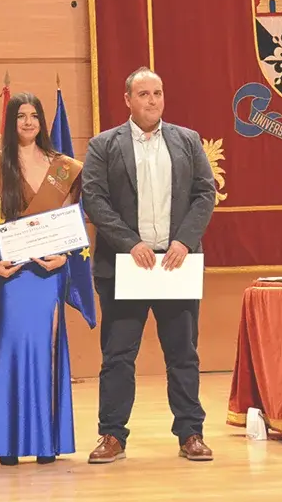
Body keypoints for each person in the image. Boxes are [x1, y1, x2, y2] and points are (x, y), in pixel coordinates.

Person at [81, 67, 216, 463]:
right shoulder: (103, 145)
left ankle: (191, 433)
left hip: (176, 263)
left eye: (157, 93)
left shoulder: (188, 141)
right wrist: (130, 243)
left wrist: (184, 241)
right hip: (127, 266)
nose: (152, 100)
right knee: (119, 355)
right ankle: (112, 435)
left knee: (183, 354)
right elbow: (94, 199)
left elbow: (205, 193)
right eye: (143, 94)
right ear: (128, 100)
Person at [0, 92, 93, 466]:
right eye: (20, 116)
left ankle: (46, 440)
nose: (27, 122)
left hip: (48, 272)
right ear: (10, 123)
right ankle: (7, 443)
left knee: (46, 347)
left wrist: (64, 255)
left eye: (34, 116)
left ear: (43, 122)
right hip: (10, 274)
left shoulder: (64, 167)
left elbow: (72, 218)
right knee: (12, 347)